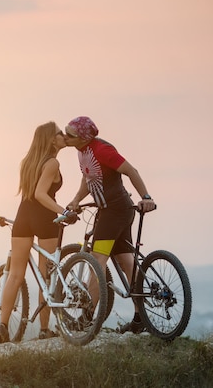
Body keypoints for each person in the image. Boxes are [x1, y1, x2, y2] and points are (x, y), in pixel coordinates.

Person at [64, 116, 157, 334]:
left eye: (70, 135)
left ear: (84, 137)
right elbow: (89, 178)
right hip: (117, 212)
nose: (65, 137)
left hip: (114, 212)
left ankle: (86, 319)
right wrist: (76, 200)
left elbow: (131, 170)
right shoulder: (82, 151)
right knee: (126, 262)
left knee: (98, 261)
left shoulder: (102, 150)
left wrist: (146, 196)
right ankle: (139, 317)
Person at [0, 121, 77, 343]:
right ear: (51, 139)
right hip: (44, 218)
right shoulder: (52, 163)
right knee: (46, 275)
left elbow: (30, 193)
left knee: (15, 274)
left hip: (23, 217)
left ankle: (2, 325)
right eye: (60, 133)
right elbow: (41, 194)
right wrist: (64, 212)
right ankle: (43, 329)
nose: (63, 136)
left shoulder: (27, 162)